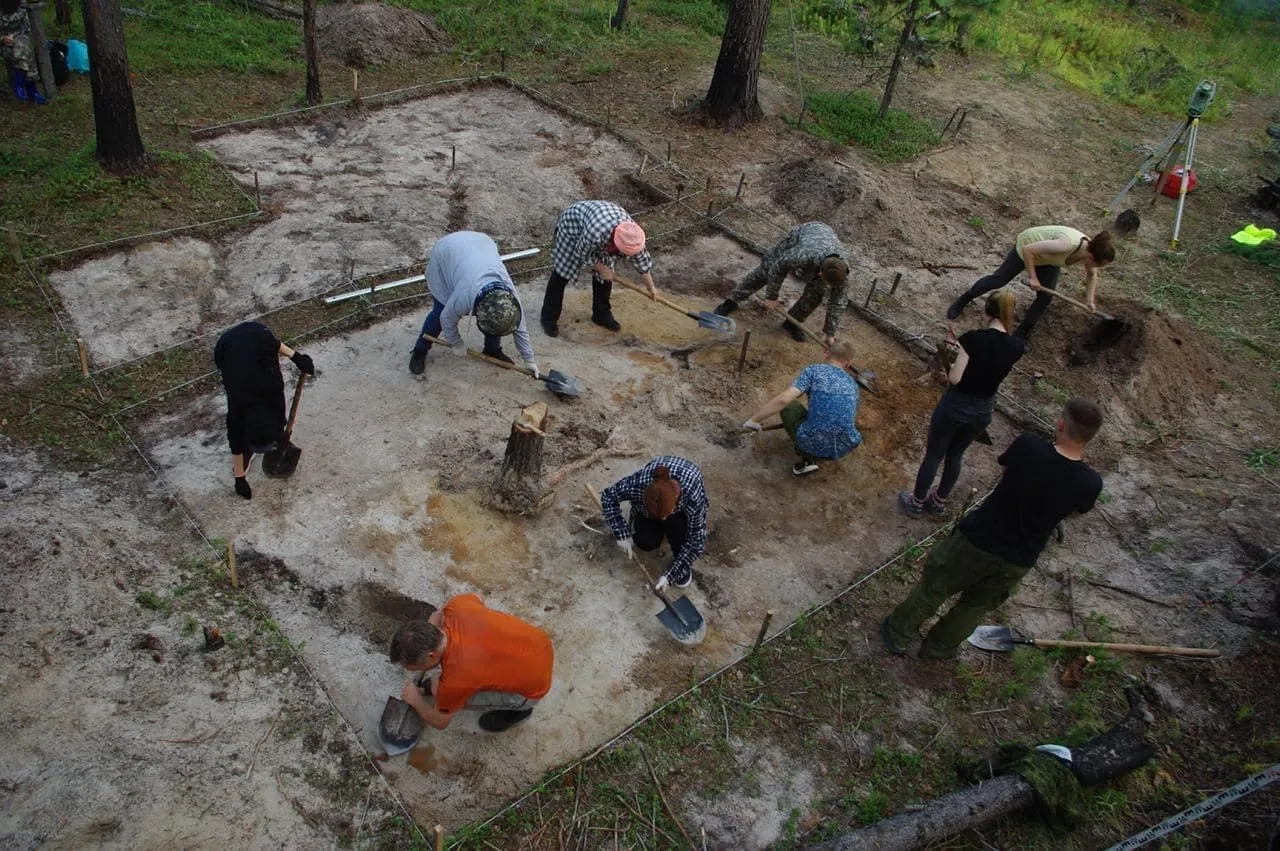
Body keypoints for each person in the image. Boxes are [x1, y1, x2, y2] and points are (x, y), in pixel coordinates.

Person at [881, 398, 1104, 660]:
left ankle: (897, 634)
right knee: (975, 606)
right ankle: (938, 649)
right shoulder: (1090, 482)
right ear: (1091, 437)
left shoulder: (1028, 446)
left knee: (935, 587)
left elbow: (1006, 465)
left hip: (979, 537)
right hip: (1018, 558)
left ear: (1061, 423)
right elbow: (1077, 510)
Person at [899, 290, 1027, 517]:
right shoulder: (1016, 347)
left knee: (934, 455)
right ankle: (938, 502)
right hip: (983, 409)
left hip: (956, 405)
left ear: (987, 310)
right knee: (956, 454)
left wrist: (960, 352)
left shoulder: (973, 339)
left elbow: (955, 378)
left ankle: (916, 503)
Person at [390, 594, 554, 733]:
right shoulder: (457, 605)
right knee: (441, 686)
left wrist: (415, 700)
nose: (415, 671)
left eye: (416, 668)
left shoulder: (455, 682)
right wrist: (437, 618)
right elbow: (478, 597)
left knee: (438, 692)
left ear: (431, 655)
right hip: (540, 643)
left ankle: (518, 712)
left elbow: (440, 722)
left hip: (534, 688)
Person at [945, 226, 1116, 339]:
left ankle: (1021, 333)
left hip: (1048, 260)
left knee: (1045, 298)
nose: (1098, 268)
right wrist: (1033, 277)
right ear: (1092, 257)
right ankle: (963, 299)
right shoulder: (1065, 245)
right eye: (1100, 264)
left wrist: (1089, 301)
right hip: (1027, 247)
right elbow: (1029, 250)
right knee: (999, 280)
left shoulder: (1088, 255)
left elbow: (1092, 276)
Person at [408, 231, 538, 378]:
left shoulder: (511, 300)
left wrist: (529, 360)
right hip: (447, 253)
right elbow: (446, 318)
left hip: (480, 244)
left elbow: (519, 328)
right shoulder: (463, 297)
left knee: (496, 320)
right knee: (440, 310)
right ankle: (420, 350)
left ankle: (492, 349)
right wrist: (456, 343)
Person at [213, 322, 314, 500]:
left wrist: (296, 357)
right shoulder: (237, 410)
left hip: (258, 333)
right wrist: (239, 479)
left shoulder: (273, 389)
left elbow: (271, 342)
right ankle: (249, 450)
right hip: (225, 347)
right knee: (238, 434)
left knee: (274, 413)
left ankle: (276, 438)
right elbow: (235, 445)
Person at [714, 222, 852, 344]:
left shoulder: (842, 272)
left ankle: (792, 322)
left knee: (817, 290)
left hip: (824, 244)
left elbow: (838, 303)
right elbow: (777, 269)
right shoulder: (802, 254)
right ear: (820, 273)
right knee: (766, 269)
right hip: (805, 235)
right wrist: (771, 298)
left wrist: (830, 333)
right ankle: (731, 301)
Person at [742, 340, 863, 476]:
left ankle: (808, 459)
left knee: (790, 407)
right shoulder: (853, 385)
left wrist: (754, 420)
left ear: (826, 354)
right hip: (843, 447)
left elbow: (783, 399)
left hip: (813, 445)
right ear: (849, 364)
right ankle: (819, 452)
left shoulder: (814, 371)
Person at [539, 200, 657, 337]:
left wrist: (651, 288)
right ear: (616, 242)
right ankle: (548, 318)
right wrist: (600, 267)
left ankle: (601, 314)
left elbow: (642, 261)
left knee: (605, 277)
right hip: (573, 228)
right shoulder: (596, 232)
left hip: (600, 227)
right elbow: (580, 252)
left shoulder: (633, 236)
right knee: (563, 272)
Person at [601, 456, 709, 590]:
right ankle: (651, 520)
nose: (663, 520)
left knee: (679, 531)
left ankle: (681, 565)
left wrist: (670, 575)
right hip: (651, 509)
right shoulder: (639, 484)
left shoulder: (693, 498)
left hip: (680, 515)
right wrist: (622, 533)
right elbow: (608, 496)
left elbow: (696, 541)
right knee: (645, 542)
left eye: (665, 515)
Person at [1, 0, 46, 104]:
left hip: (19, 38)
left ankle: (19, 84)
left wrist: (14, 36)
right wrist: (3, 38)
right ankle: (32, 92)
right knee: (26, 53)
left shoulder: (21, 6)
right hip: (4, 44)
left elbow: (26, 28)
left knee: (23, 47)